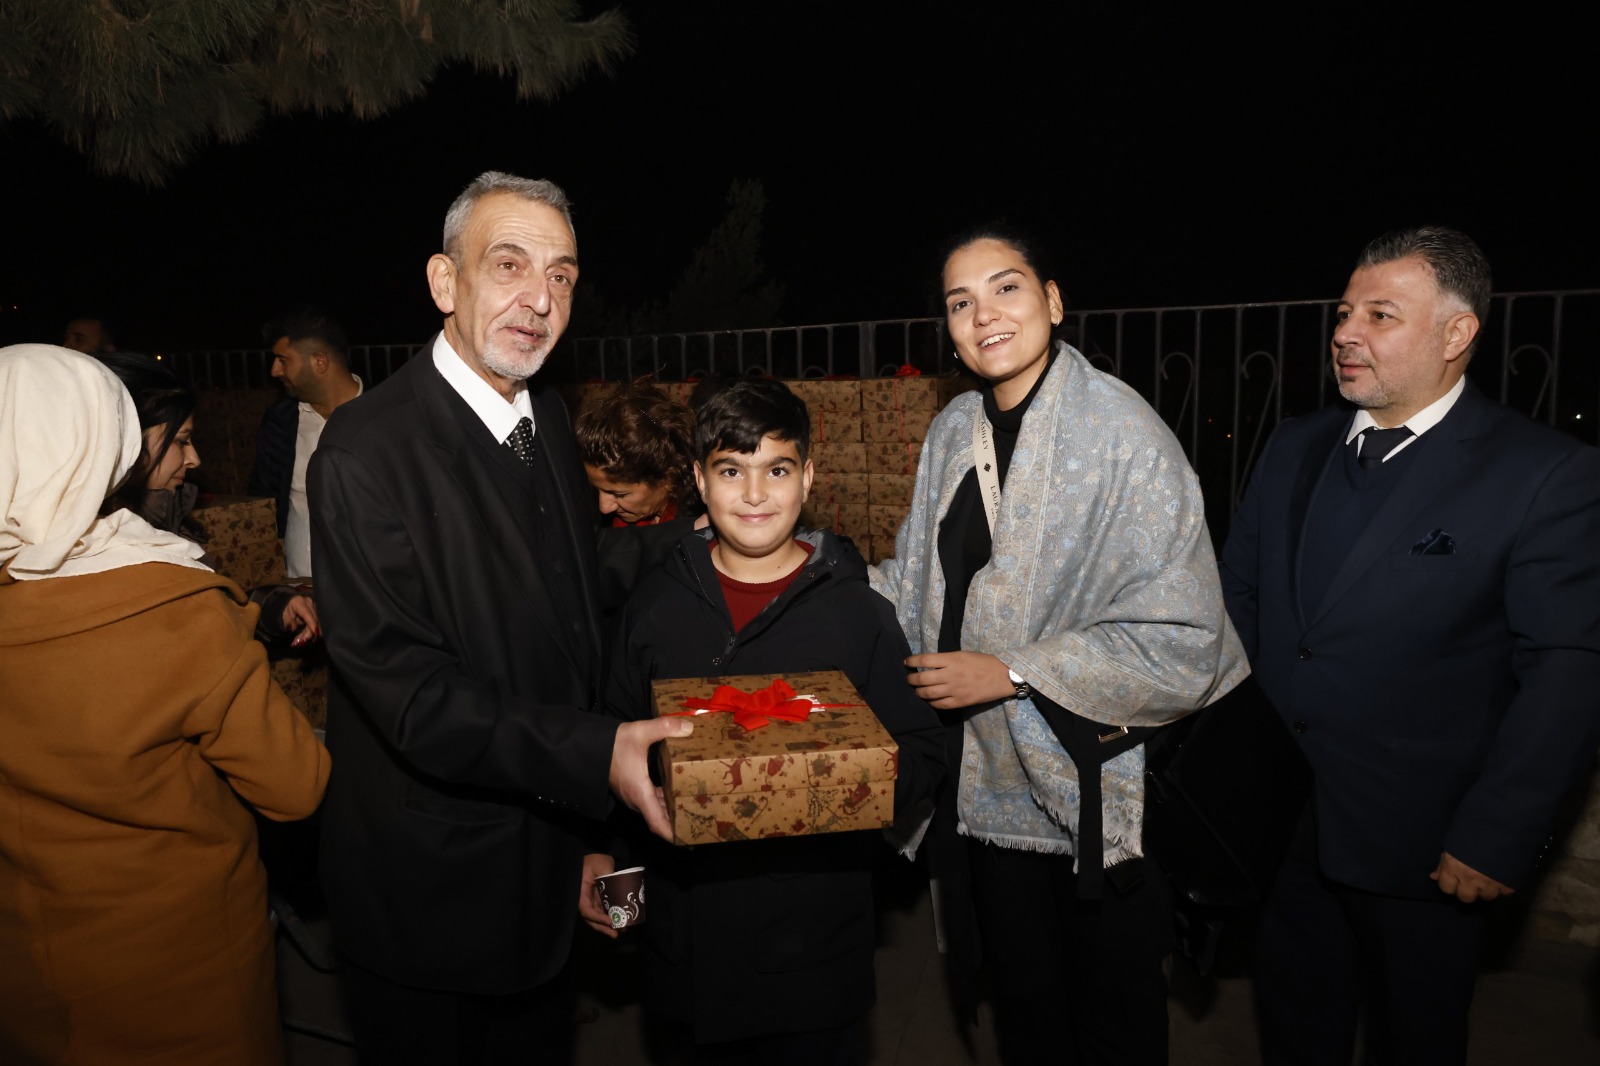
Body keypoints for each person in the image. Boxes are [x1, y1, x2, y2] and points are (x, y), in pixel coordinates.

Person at [307, 171, 692, 1065]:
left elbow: (563, 596)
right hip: (432, 897)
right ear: (445, 282)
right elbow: (417, 701)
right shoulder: (364, 453)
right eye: (510, 264)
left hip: (544, 865)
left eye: (562, 275)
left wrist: (699, 541)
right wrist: (598, 755)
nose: (540, 299)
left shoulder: (544, 413)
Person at [1219, 226, 1600, 1065]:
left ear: (1457, 333)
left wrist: (1498, 834)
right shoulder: (1292, 445)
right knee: (1294, 1029)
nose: (1346, 333)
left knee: (1416, 1040)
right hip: (1279, 825)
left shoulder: (1545, 474)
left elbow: (1567, 673)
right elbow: (1238, 604)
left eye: (1380, 315)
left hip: (1426, 846)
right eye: (1344, 312)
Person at [869, 224, 1248, 1065]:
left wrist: (1011, 670)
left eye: (1005, 288)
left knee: (1112, 1025)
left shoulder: (1124, 434)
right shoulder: (952, 430)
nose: (983, 315)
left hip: (1097, 794)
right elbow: (913, 579)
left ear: (1053, 301)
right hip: (984, 786)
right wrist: (796, 577)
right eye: (960, 302)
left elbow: (1185, 636)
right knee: (1024, 1009)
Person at [0, 344, 330, 1065]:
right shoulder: (174, 607)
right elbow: (296, 786)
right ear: (109, 445)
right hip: (180, 976)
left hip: (29, 975)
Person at [603, 378, 944, 1064]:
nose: (755, 494)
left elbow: (924, 751)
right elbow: (613, 740)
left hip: (813, 954)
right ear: (699, 480)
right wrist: (611, 871)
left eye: (778, 470)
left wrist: (844, 781)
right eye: (732, 471)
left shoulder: (858, 615)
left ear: (807, 477)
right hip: (685, 946)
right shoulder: (655, 607)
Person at [98, 352, 320, 647]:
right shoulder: (114, 553)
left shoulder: (163, 519)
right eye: (182, 440)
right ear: (128, 442)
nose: (194, 458)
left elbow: (209, 616)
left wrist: (274, 608)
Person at [247, 308, 363, 581]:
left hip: (366, 588)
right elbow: (262, 499)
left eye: (283, 360)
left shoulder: (386, 418)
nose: (274, 371)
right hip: (297, 586)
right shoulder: (280, 421)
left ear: (319, 361)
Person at [574, 375, 703, 612]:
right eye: (597, 490)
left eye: (620, 494)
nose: (604, 507)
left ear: (668, 477)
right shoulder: (593, 518)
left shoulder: (701, 523)